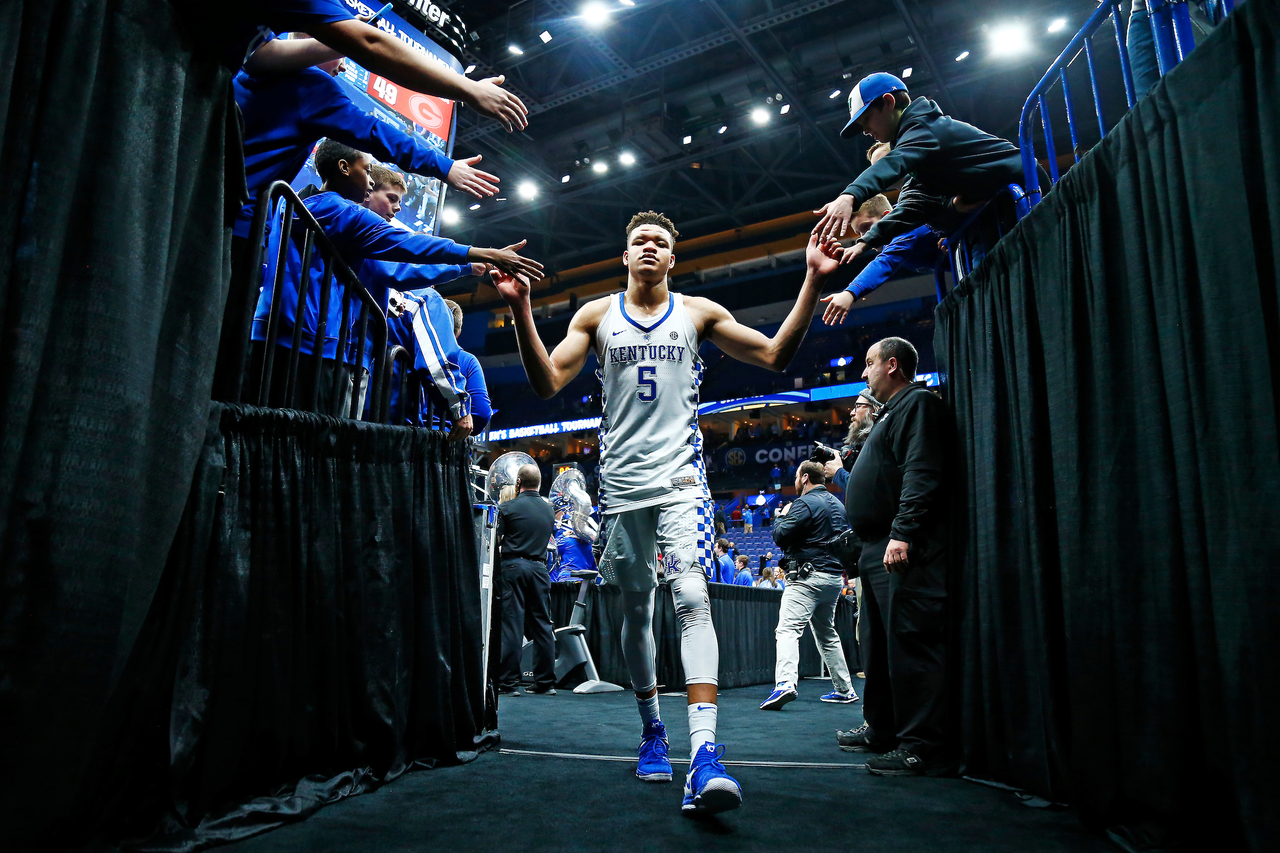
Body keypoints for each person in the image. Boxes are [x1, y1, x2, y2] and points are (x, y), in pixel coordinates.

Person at [492, 209, 843, 815]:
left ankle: (705, 752)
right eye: (639, 243)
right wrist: (523, 307)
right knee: (636, 609)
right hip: (623, 489)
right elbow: (548, 382)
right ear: (624, 257)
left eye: (660, 242)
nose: (649, 248)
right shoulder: (595, 315)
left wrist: (811, 280)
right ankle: (652, 728)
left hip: (683, 481)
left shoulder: (699, 312)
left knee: (692, 598)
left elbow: (776, 354)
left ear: (673, 259)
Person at [248, 140, 541, 417]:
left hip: (272, 335)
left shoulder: (290, 206)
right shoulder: (347, 214)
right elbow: (403, 258)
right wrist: (476, 256)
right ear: (344, 169)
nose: (371, 182)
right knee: (314, 447)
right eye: (368, 173)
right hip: (320, 348)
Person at [837, 337, 953, 777]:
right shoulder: (890, 415)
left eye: (868, 364)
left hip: (899, 546)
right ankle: (882, 728)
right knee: (880, 648)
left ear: (892, 366)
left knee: (910, 645)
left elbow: (921, 472)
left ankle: (922, 745)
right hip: (874, 548)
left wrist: (902, 533)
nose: (863, 373)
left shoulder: (916, 404)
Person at [812, 72, 1029, 265]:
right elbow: (910, 206)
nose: (865, 131)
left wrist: (849, 196)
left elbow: (894, 162)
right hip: (1005, 211)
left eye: (866, 119)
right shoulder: (920, 154)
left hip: (1028, 195)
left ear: (888, 102)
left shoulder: (924, 128)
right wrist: (864, 243)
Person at [760, 461, 858, 710]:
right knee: (827, 633)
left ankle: (784, 684)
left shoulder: (804, 503)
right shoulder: (838, 504)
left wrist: (780, 517)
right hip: (834, 579)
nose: (794, 481)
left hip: (807, 578)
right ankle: (845, 689)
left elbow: (782, 536)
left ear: (804, 478)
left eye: (795, 477)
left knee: (787, 630)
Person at [819, 144, 943, 327]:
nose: (865, 236)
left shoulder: (905, 223)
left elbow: (886, 260)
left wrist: (850, 292)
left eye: (867, 227)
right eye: (860, 233)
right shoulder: (914, 201)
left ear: (888, 217)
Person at [496, 464, 557, 697]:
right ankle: (546, 683)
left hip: (513, 567)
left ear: (518, 483)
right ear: (539, 483)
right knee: (542, 625)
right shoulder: (548, 509)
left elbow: (497, 540)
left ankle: (509, 684)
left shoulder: (508, 507)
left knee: (512, 624)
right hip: (540, 569)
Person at [825, 389, 883, 493]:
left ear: (875, 409)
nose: (852, 413)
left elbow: (866, 492)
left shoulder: (880, 444)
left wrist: (838, 472)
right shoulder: (868, 445)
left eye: (858, 406)